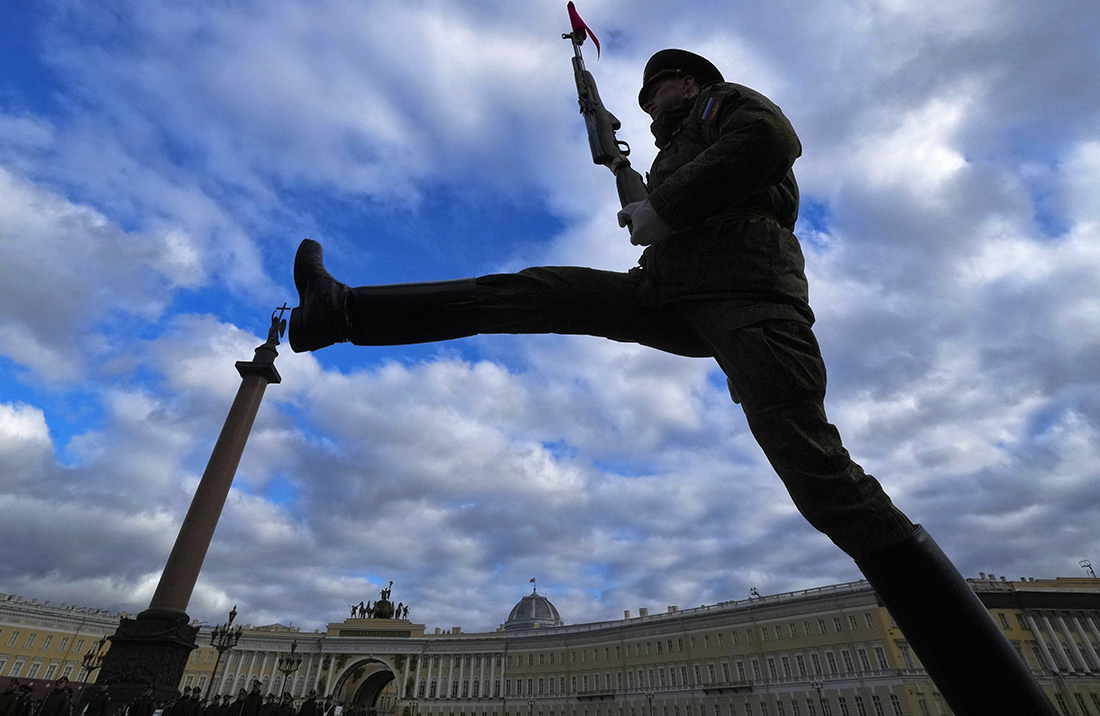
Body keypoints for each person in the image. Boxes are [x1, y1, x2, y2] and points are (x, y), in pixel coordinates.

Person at [289, 49, 1054, 714]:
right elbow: (651, 220)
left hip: (749, 294)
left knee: (829, 488)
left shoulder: (726, 105)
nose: (649, 99)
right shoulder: (667, 154)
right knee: (541, 291)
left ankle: (1001, 696)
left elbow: (773, 139)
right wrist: (624, 170)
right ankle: (343, 312)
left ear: (684, 84)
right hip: (671, 293)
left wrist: (666, 204)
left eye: (657, 87)